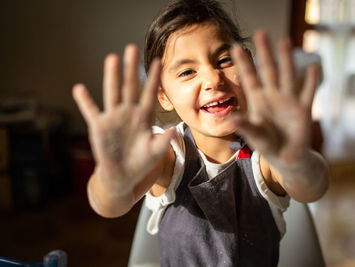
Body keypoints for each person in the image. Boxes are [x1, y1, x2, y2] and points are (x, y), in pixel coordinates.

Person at [72, 0, 330, 266]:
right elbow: (110, 205)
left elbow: (313, 187)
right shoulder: (168, 155)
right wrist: (114, 181)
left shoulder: (266, 156)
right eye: (187, 71)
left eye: (224, 59)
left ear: (248, 64)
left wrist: (295, 162)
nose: (213, 79)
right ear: (164, 96)